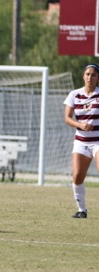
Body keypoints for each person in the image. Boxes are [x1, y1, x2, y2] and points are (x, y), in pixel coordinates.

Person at [64, 63, 99, 219]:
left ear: (98, 78)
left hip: (97, 141)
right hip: (81, 141)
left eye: (93, 75)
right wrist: (80, 125)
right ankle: (82, 210)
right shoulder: (74, 94)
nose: (90, 77)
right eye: (87, 74)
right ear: (83, 76)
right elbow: (67, 118)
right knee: (77, 176)